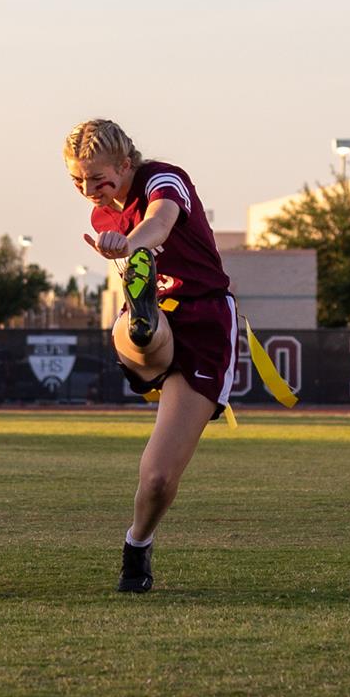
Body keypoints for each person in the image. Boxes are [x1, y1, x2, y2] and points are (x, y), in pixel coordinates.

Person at [63, 118, 237, 593]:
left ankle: (137, 544)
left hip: (204, 321)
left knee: (158, 478)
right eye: (78, 180)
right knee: (141, 330)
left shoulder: (163, 177)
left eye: (97, 178)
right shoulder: (101, 217)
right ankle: (141, 323)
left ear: (125, 163)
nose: (88, 189)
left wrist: (130, 242)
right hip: (162, 322)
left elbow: (159, 222)